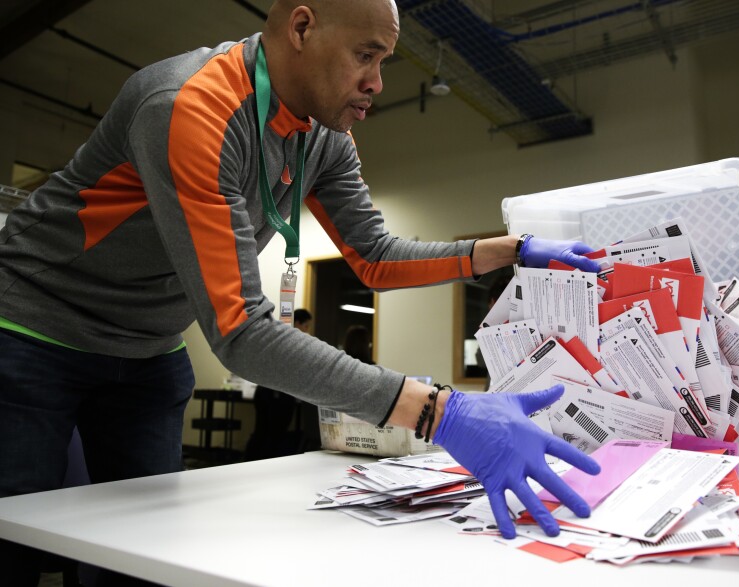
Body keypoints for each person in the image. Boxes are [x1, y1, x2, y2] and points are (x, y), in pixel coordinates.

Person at [0, 2, 603, 584]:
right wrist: (438, 411)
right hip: (33, 321)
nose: (377, 82)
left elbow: (374, 256)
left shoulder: (324, 137)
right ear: (303, 28)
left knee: (137, 554)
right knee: (16, 543)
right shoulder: (189, 105)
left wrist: (500, 252)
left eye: (385, 60)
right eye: (366, 55)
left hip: (149, 346)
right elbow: (241, 332)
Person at [243, 308, 320, 461]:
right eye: (306, 326)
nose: (307, 331)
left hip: (265, 392)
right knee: (272, 434)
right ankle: (264, 465)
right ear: (297, 323)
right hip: (277, 394)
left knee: (262, 431)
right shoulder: (291, 341)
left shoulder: (277, 335)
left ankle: (251, 464)